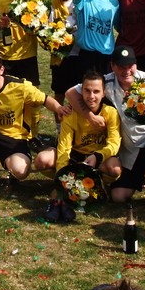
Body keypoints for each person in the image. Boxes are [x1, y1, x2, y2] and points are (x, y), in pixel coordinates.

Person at [67, 46, 145, 208]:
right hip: (129, 148)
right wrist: (90, 117)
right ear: (113, 66)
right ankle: (144, 171)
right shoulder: (106, 82)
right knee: (118, 197)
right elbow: (71, 93)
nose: (126, 71)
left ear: (135, 65)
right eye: (121, 67)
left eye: (130, 66)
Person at [0, 52, 70, 181]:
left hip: (14, 138)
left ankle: (10, 164)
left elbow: (44, 99)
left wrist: (59, 108)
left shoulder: (19, 86)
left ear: (2, 70)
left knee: (20, 171)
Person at [35, 71, 122, 222]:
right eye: (87, 91)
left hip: (97, 158)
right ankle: (62, 193)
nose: (91, 96)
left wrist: (98, 156)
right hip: (75, 157)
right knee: (42, 160)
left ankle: (96, 187)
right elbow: (64, 147)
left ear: (104, 93)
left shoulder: (110, 113)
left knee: (114, 168)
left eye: (96, 91)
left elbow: (114, 143)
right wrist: (62, 178)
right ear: (81, 91)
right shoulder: (71, 112)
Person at [48, 0, 79, 103]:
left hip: (78, 53)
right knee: (59, 91)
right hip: (59, 56)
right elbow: (47, 27)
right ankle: (58, 118)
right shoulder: (52, 4)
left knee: (77, 92)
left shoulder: (79, 1)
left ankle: (75, 116)